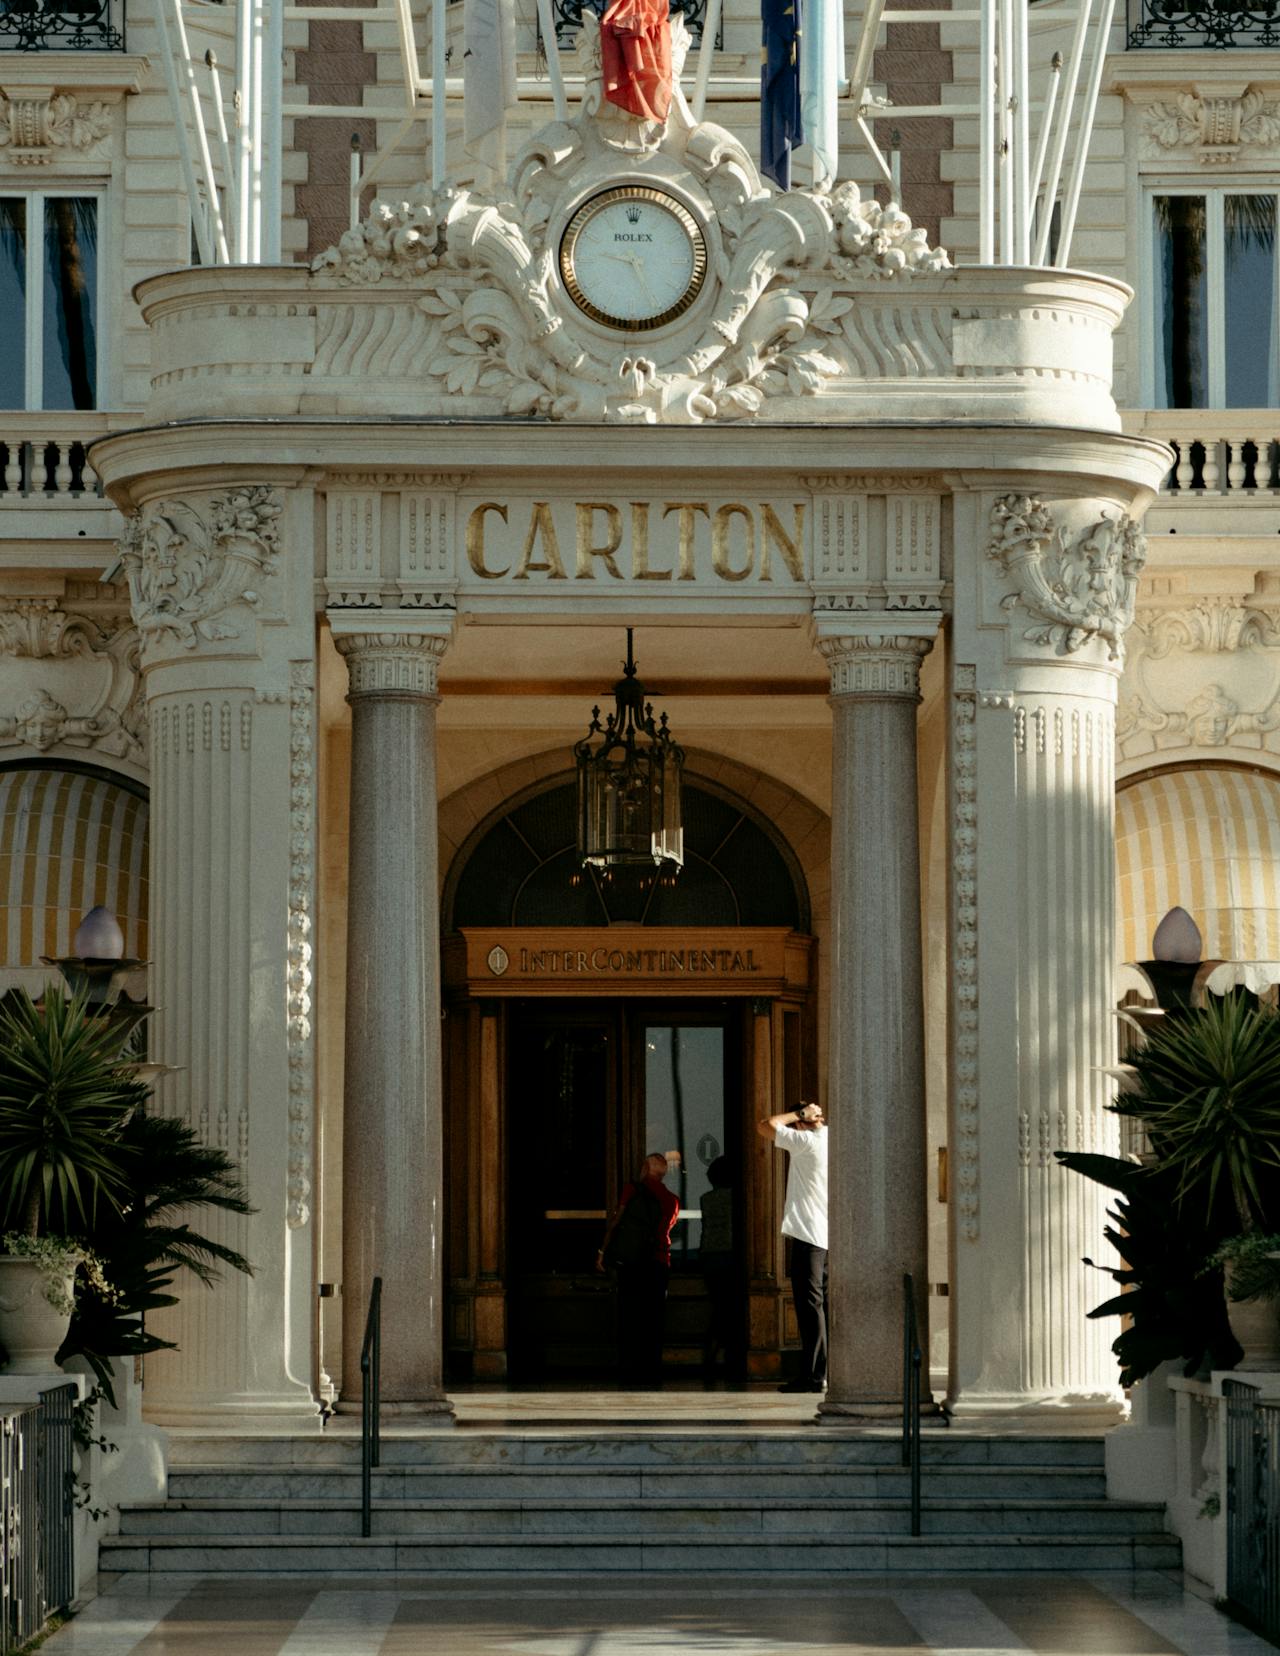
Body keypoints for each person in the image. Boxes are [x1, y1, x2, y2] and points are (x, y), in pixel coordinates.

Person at [756, 1101, 828, 1393]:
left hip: (810, 1233)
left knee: (810, 1307)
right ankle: (821, 1373)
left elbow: (764, 1125)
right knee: (821, 1306)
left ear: (801, 1123)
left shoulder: (806, 1142)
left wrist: (799, 1115)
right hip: (829, 1235)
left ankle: (814, 1376)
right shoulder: (831, 1141)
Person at [596, 1152, 679, 1387]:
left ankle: (629, 1367)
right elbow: (668, 1229)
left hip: (632, 1263)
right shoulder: (672, 1200)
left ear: (645, 1168)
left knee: (630, 1314)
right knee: (654, 1317)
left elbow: (617, 1220)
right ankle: (651, 1368)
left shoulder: (633, 1190)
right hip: (660, 1262)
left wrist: (603, 1250)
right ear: (663, 1173)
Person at [698, 1156, 740, 1376]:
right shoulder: (737, 1198)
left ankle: (710, 1356)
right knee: (730, 1309)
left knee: (719, 1306)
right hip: (729, 1256)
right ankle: (726, 1357)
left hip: (710, 1256)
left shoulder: (706, 1198)